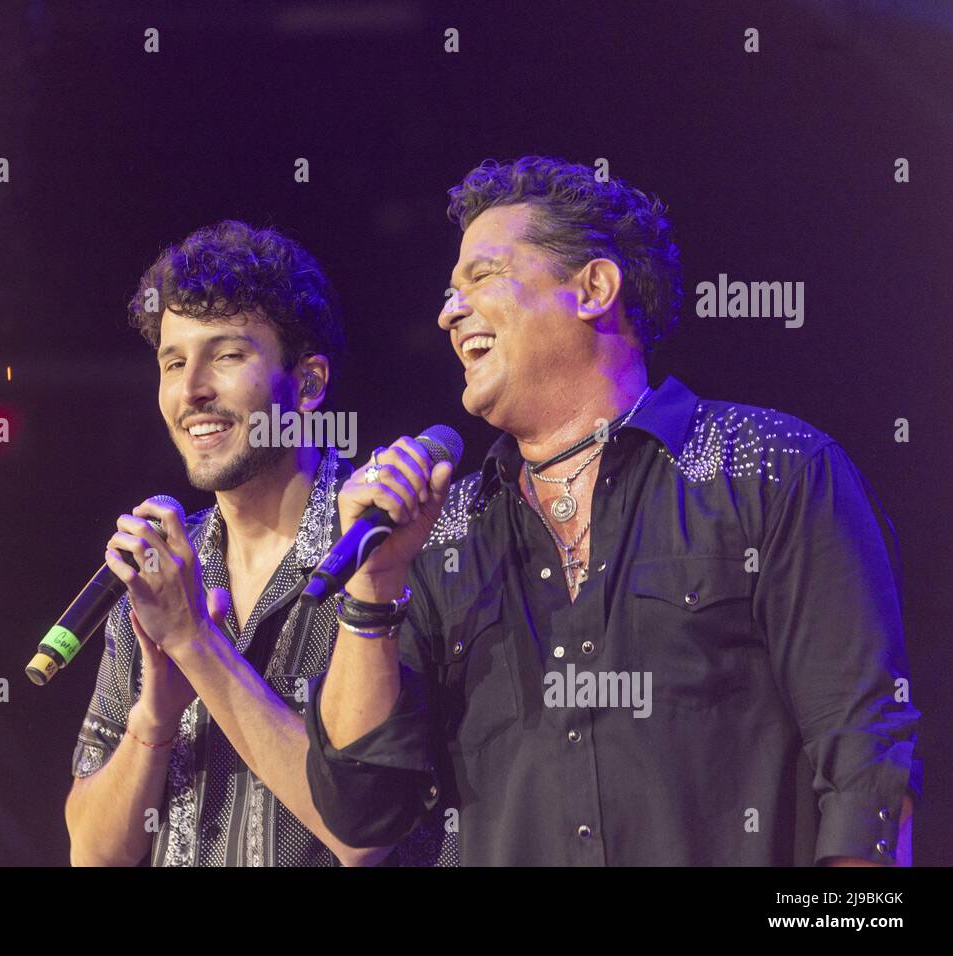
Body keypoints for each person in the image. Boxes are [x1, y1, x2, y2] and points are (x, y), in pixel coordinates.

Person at [305, 156, 921, 865]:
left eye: (480, 277)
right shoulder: (444, 532)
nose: (448, 312)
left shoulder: (771, 468)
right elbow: (362, 815)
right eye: (449, 291)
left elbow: (865, 764)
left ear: (594, 287)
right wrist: (373, 591)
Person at [65, 220, 413, 865]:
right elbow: (93, 854)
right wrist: (154, 717)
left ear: (307, 385)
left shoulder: (396, 545)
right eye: (173, 362)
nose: (191, 387)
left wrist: (196, 643)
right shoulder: (162, 574)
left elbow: (361, 836)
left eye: (226, 355)